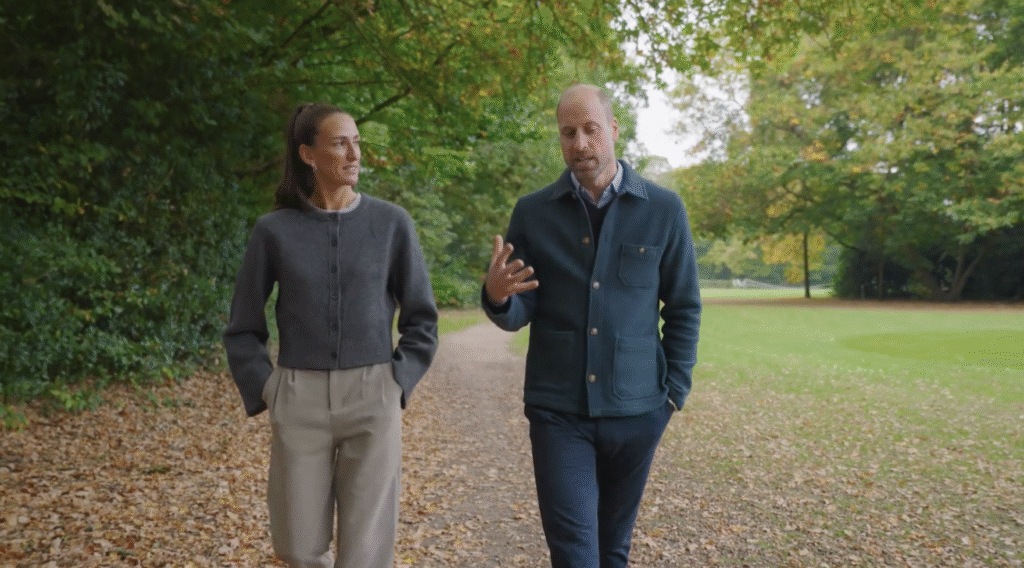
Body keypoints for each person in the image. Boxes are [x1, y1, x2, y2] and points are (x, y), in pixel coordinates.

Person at [482, 83, 701, 568]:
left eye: (590, 130)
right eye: (568, 133)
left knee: (612, 553)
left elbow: (683, 307)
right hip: (558, 412)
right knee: (576, 555)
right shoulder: (533, 212)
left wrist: (673, 393)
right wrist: (498, 297)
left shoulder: (664, 211)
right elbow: (522, 308)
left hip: (640, 412)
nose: (580, 144)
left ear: (613, 130)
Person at [223, 102, 438, 568]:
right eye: (340, 142)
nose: (354, 153)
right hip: (298, 397)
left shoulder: (392, 224)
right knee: (298, 548)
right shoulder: (273, 231)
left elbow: (422, 316)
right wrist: (267, 387)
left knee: (365, 553)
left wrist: (398, 381)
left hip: (373, 396)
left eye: (357, 142)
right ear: (308, 154)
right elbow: (243, 326)